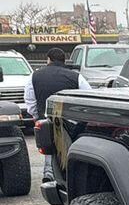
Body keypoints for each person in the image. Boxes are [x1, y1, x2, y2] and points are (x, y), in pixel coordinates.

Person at [25, 47, 90, 182]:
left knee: (49, 147)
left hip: (45, 120)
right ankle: (70, 176)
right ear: (64, 60)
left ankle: (49, 173)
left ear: (48, 59)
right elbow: (88, 97)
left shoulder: (34, 76)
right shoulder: (76, 76)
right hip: (70, 122)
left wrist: (38, 117)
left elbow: (30, 101)